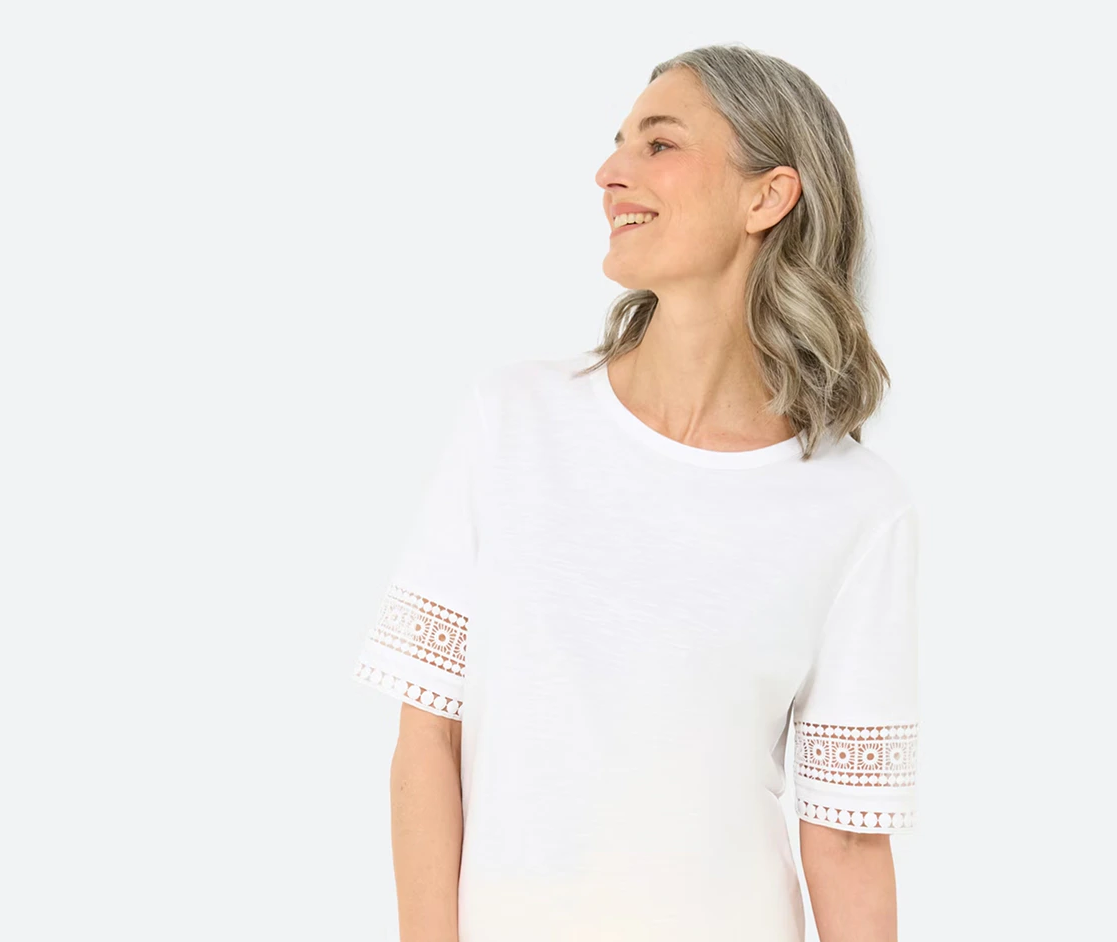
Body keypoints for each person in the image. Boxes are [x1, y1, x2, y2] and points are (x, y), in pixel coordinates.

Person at [350, 43, 919, 942]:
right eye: (619, 143)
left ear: (767, 197)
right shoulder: (513, 422)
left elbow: (845, 842)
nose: (611, 173)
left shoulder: (856, 506)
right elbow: (429, 738)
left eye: (660, 143)